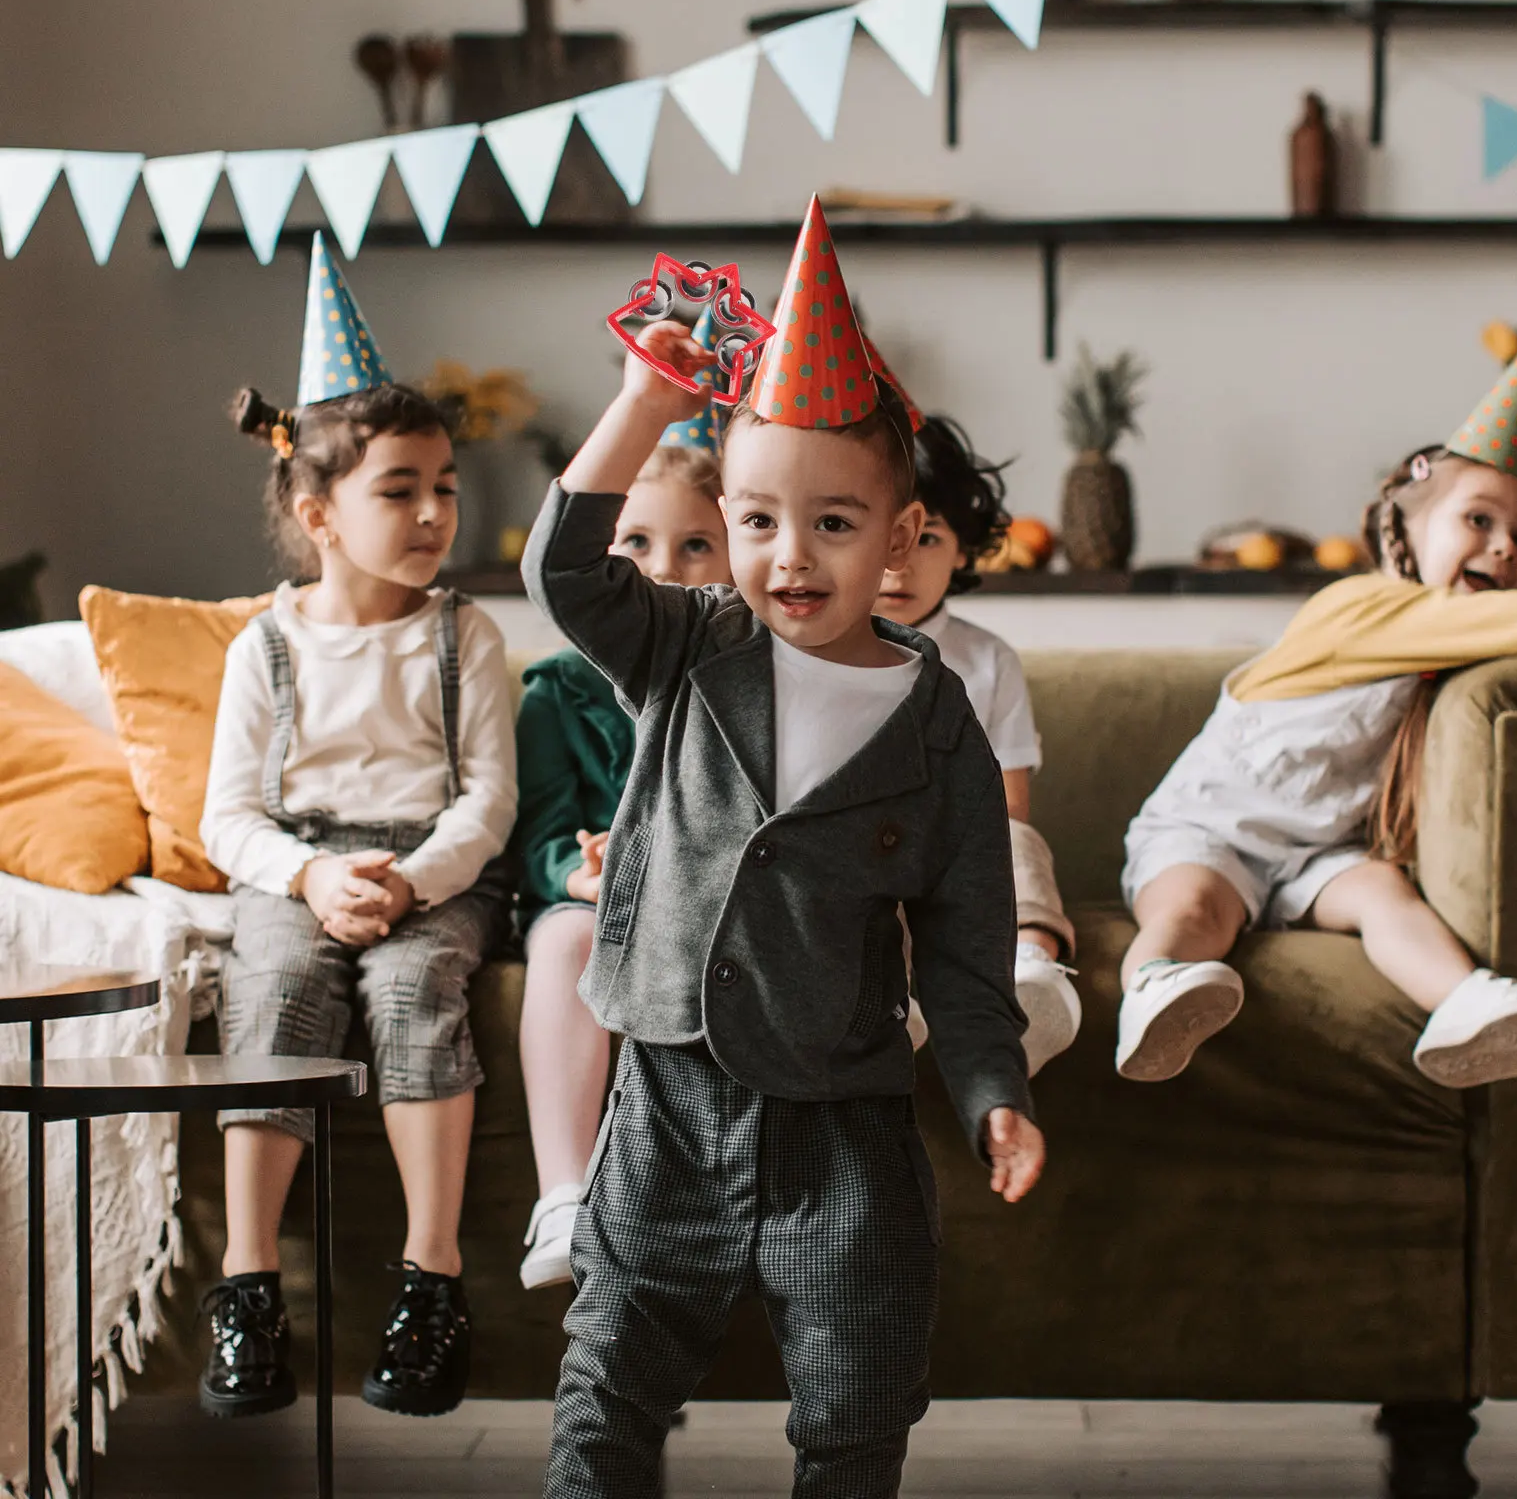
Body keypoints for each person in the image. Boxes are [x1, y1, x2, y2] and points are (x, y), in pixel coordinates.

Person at [524, 197, 1045, 1498]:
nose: (787, 557)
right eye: (755, 520)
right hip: (663, 1102)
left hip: (843, 1116)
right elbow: (563, 572)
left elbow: (971, 948)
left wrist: (994, 1093)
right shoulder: (689, 645)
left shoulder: (940, 732)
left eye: (832, 524)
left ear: (903, 533)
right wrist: (650, 403)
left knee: (859, 1399)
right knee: (606, 1382)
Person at [198, 234, 516, 1419]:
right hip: (298, 868)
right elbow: (226, 815)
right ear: (314, 510)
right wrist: (313, 879)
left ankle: (431, 1277)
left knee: (411, 994)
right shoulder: (264, 646)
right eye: (401, 490)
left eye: (444, 486)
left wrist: (414, 883)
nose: (435, 511)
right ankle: (246, 1282)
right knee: (276, 995)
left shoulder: (465, 635)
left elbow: (489, 798)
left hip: (433, 869)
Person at [1116, 320, 1517, 1087]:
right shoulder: (1360, 606)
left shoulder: (1451, 656)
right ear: (1404, 524)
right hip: (1211, 832)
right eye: (1480, 520)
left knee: (1383, 895)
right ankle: (1155, 985)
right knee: (1197, 908)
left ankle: (1468, 1003)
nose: (1506, 548)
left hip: (1317, 855)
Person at [515, 326, 731, 1291]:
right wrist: (579, 869)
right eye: (635, 544)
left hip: (708, 906)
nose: (665, 567)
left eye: (696, 545)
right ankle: (563, 1199)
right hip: (596, 911)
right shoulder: (556, 690)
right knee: (564, 940)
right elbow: (536, 840)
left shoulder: (746, 675)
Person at [866, 356, 1080, 1075]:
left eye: (925, 538)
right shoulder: (824, 649)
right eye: (881, 535)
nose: (899, 563)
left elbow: (1011, 803)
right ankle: (895, 1002)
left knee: (1019, 843)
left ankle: (1033, 975)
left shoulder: (989, 660)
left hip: (967, 848)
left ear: (961, 550)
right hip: (864, 847)